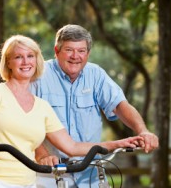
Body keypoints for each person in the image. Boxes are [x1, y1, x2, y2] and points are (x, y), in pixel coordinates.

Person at [0, 34, 144, 188]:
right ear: (8, 62)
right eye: (18, 57)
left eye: (30, 56)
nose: (25, 62)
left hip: (27, 181)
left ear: (37, 60)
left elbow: (72, 146)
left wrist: (118, 143)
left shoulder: (41, 106)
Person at [30, 24, 159, 188]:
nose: (75, 56)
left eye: (81, 51)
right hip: (50, 171)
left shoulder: (96, 74)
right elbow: (27, 121)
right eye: (69, 50)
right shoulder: (39, 76)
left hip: (91, 171)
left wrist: (143, 131)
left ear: (88, 53)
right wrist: (42, 155)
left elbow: (120, 105)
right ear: (57, 51)